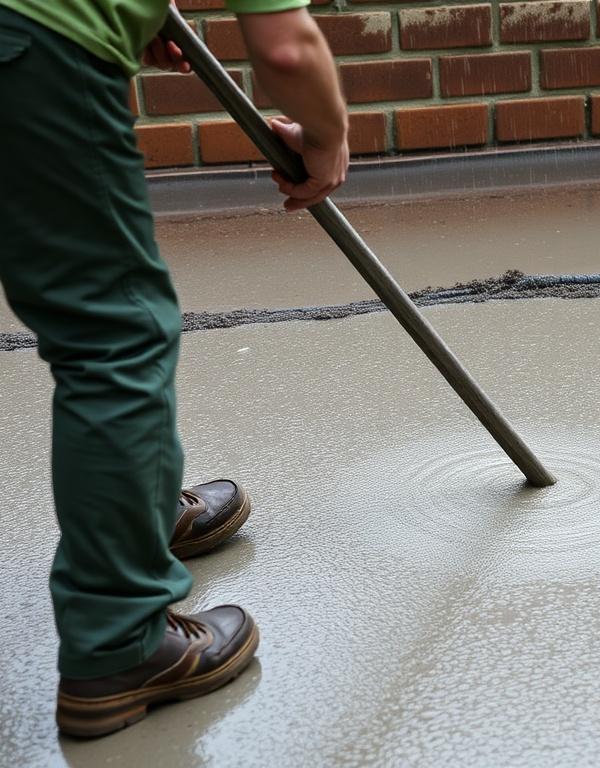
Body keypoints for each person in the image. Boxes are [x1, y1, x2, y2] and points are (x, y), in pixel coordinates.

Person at [0, 0, 349, 738]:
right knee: (114, 335)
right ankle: (119, 644)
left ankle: (139, 515)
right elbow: (287, 50)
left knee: (94, 317)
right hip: (30, 50)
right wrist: (327, 138)